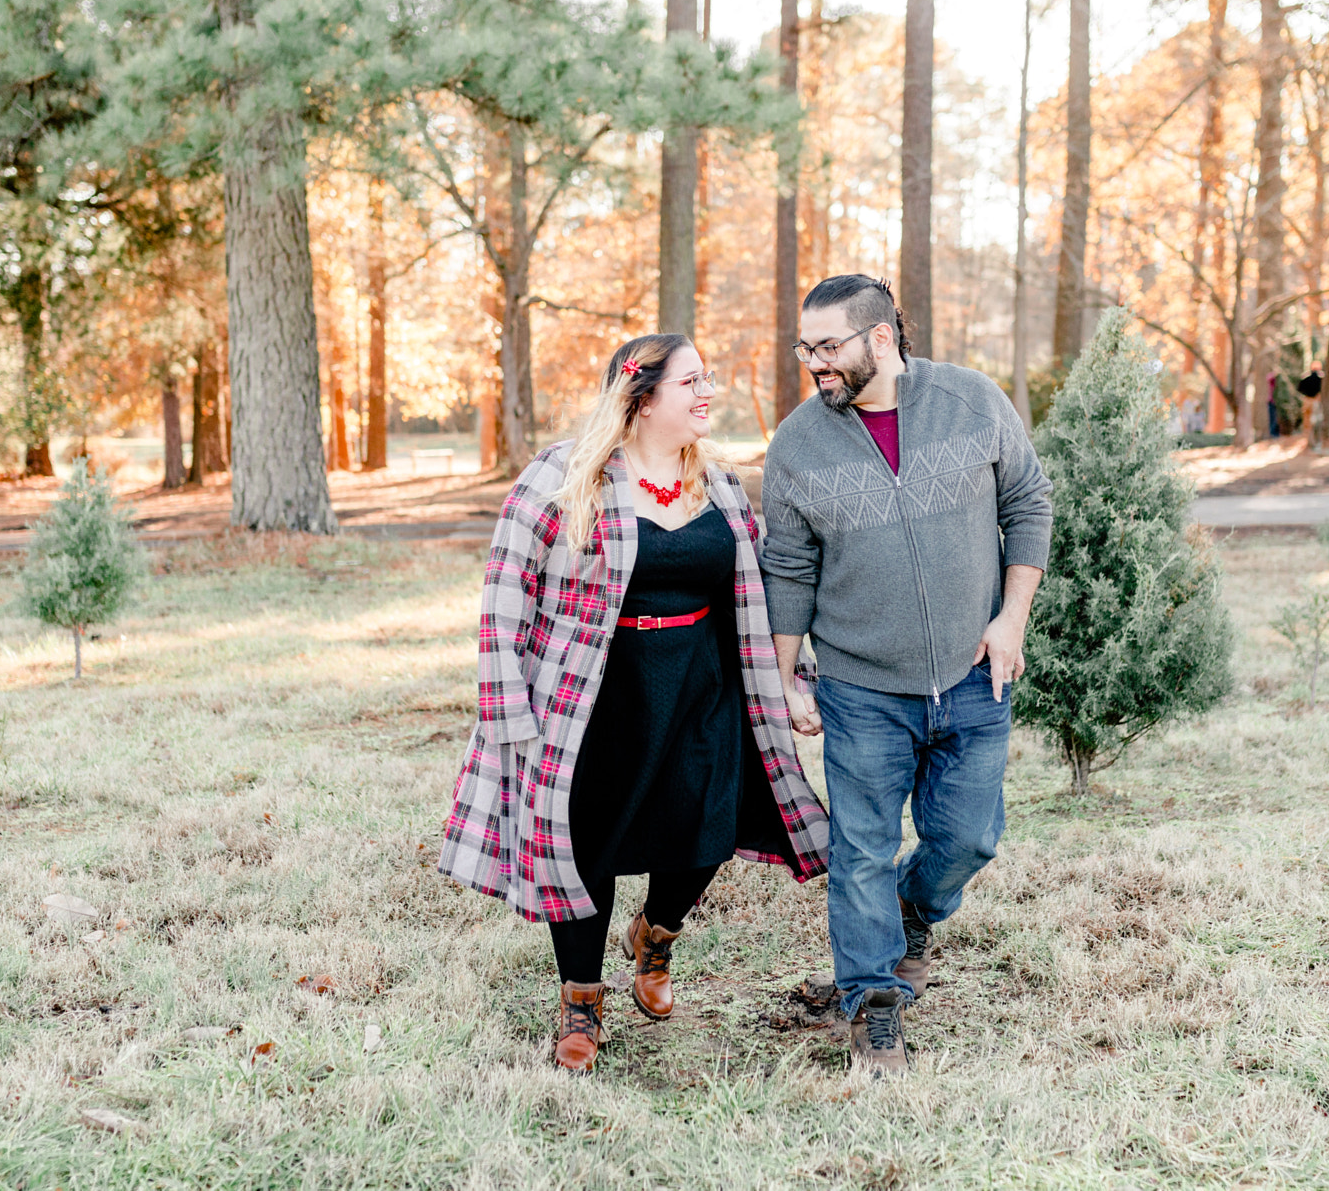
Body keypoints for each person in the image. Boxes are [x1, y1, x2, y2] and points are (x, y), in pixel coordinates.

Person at [439, 334, 830, 1073]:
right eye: (692, 381)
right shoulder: (565, 475)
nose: (708, 391)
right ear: (642, 394)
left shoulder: (718, 483)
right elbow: (502, 591)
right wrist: (505, 704)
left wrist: (792, 678)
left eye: (707, 378)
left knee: (706, 830)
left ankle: (655, 934)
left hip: (703, 686)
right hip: (595, 693)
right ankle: (580, 1002)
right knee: (585, 842)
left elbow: (764, 593)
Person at [759, 275, 1054, 1077]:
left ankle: (910, 910)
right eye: (805, 347)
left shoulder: (972, 402)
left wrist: (1011, 618)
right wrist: (785, 680)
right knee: (860, 851)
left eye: (828, 346)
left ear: (880, 339)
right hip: (860, 688)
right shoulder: (797, 444)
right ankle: (873, 1002)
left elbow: (1028, 502)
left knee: (969, 837)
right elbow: (785, 565)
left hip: (973, 674)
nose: (813, 363)